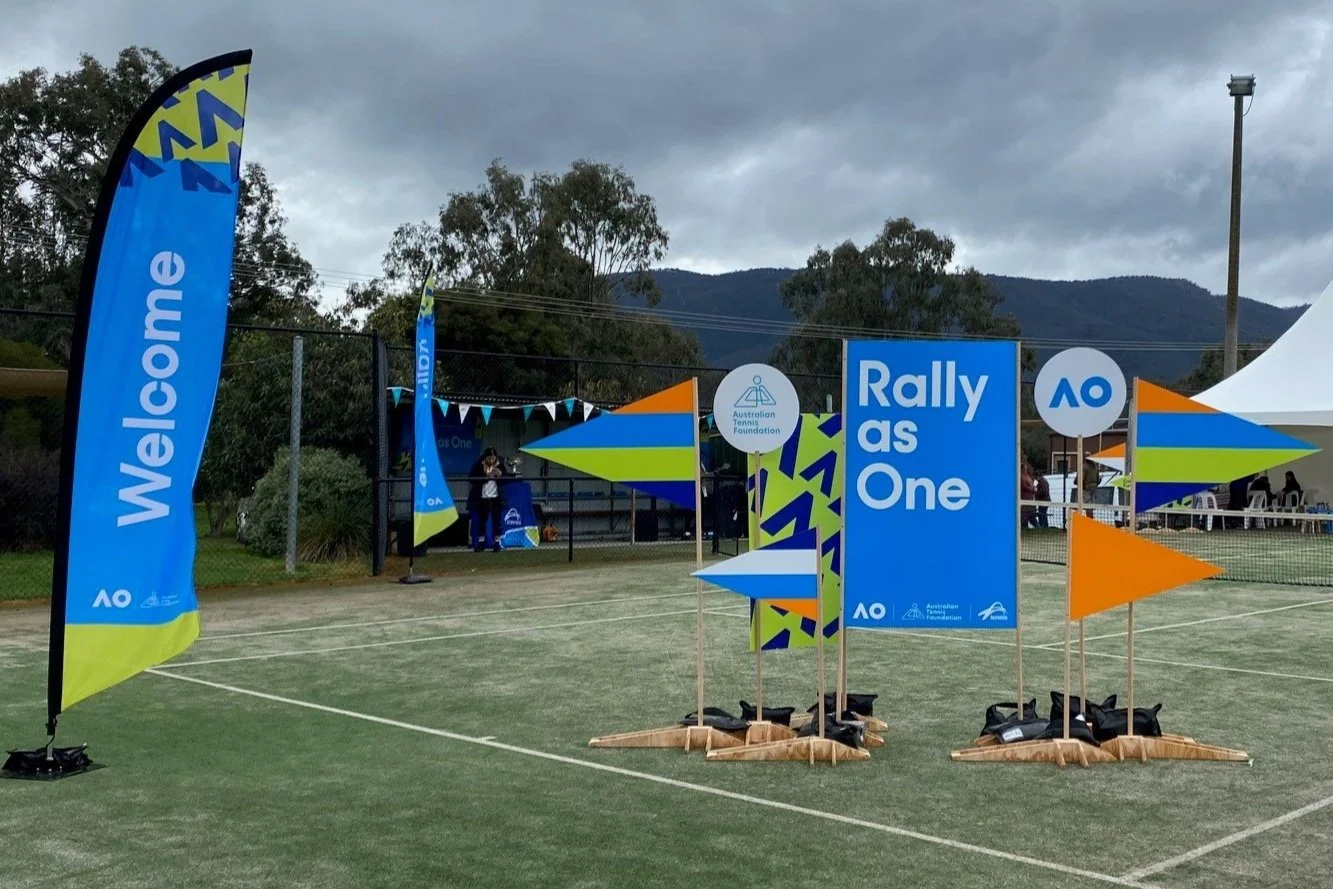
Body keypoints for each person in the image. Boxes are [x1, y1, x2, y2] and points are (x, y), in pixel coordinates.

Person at [467, 447, 510, 552]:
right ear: (485, 457)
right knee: (482, 521)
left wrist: (500, 475)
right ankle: (481, 543)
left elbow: (506, 480)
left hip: (496, 497)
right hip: (482, 497)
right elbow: (472, 479)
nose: (491, 461)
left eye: (493, 458)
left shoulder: (500, 465)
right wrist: (486, 476)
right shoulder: (478, 465)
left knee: (497, 521)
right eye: (489, 458)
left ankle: (497, 543)